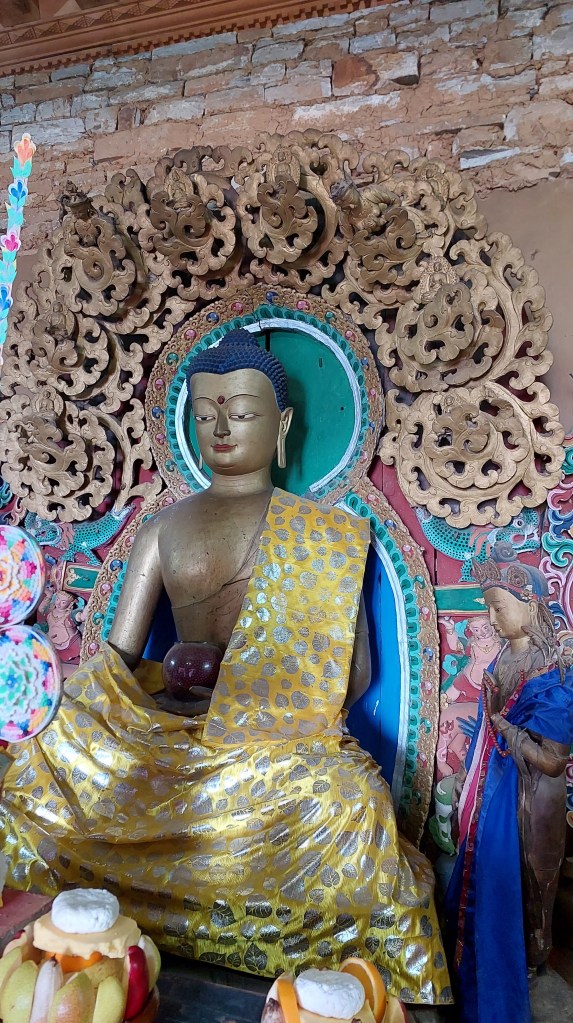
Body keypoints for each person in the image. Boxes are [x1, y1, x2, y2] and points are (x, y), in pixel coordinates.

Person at [0, 330, 451, 1005]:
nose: (220, 428)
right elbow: (116, 659)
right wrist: (74, 706)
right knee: (48, 747)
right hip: (166, 729)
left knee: (351, 797)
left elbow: (352, 674)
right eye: (206, 413)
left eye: (240, 412)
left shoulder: (320, 534)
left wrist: (257, 691)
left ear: (282, 426)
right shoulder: (163, 527)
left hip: (273, 745)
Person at [445, 546, 573, 1023]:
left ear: (530, 605)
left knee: (525, 885)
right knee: (481, 873)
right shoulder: (502, 658)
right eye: (489, 609)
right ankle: (477, 964)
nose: (492, 619)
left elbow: (552, 761)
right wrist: (467, 772)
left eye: (499, 608)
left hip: (528, 795)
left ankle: (525, 965)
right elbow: (485, 726)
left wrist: (506, 729)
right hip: (491, 781)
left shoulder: (553, 672)